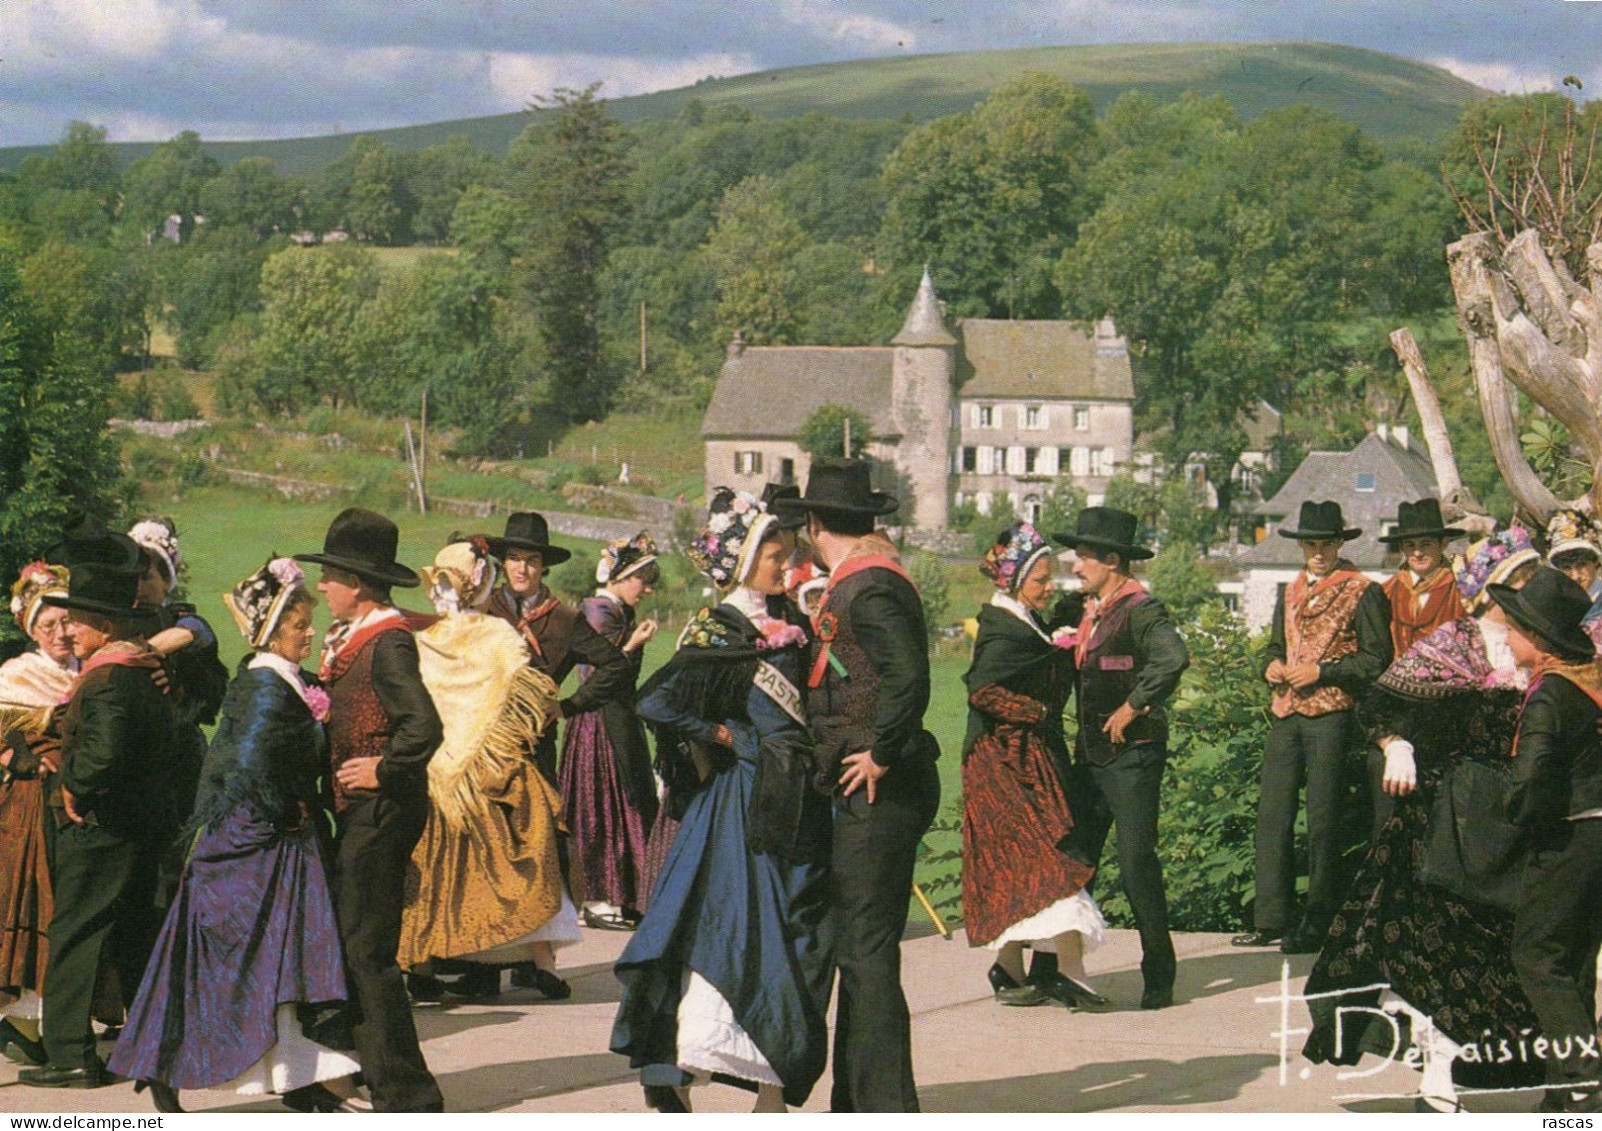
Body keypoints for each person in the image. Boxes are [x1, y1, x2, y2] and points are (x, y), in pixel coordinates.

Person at [107, 558, 363, 1112]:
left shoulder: (280, 677)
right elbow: (249, 766)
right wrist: (285, 814)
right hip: (258, 848)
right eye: (300, 626)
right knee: (236, 965)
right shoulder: (267, 686)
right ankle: (164, 1064)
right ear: (273, 631)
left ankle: (301, 1078)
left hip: (278, 843)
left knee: (280, 963)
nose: (309, 633)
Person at [1302, 527, 1544, 1112]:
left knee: (1506, 950)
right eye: (1525, 580)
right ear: (1496, 589)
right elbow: (1380, 703)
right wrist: (1397, 746)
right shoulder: (1455, 642)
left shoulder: (1543, 649)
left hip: (1513, 819)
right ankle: (1435, 1080)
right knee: (1442, 948)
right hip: (1447, 815)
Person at [612, 488, 832, 1113]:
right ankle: (687, 1070)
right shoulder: (720, 628)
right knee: (737, 936)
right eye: (771, 552)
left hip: (800, 800)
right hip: (741, 805)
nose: (782, 563)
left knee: (802, 939)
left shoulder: (792, 619)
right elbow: (655, 701)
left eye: (787, 552)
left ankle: (772, 1088)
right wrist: (718, 734)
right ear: (738, 559)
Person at [779, 458, 939, 1113]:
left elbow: (910, 676)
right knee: (860, 949)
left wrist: (880, 751)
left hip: (881, 788)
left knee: (867, 953)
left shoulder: (869, 586)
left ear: (814, 525)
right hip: (875, 788)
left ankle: (885, 1108)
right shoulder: (865, 577)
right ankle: (856, 1101)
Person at [295, 507, 444, 1112]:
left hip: (384, 810)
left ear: (356, 584)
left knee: (367, 950)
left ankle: (408, 1094)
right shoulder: (358, 639)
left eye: (329, 576)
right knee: (355, 943)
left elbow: (423, 726)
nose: (322, 586)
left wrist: (382, 769)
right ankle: (352, 1075)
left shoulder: (388, 643)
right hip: (363, 812)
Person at [19, 533, 176, 1089]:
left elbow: (102, 756)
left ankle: (71, 1055)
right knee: (129, 932)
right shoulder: (137, 667)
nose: (69, 632)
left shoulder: (109, 676)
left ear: (103, 625)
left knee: (77, 935)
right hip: (132, 826)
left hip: (101, 829)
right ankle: (144, 1045)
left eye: (77, 622)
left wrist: (72, 786)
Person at [400, 538, 580, 1002]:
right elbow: (532, 694)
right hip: (489, 769)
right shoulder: (499, 636)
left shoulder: (424, 640)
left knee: (433, 870)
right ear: (482, 585)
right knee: (523, 855)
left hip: (435, 772)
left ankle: (422, 966)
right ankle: (540, 961)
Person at [1235, 500, 1391, 955]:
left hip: (1332, 715)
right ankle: (1271, 917)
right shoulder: (1291, 588)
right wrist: (1272, 666)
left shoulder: (1363, 590)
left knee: (1324, 820)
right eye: (1311, 544)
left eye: (1327, 543)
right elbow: (1274, 647)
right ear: (1301, 546)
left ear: (1341, 544)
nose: (1319, 552)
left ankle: (1319, 919)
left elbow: (1376, 660)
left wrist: (1323, 672)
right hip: (1288, 712)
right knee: (1273, 815)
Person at [962, 524, 1108, 1010]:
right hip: (1001, 761)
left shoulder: (1021, 618)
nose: (1050, 587)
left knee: (1020, 866)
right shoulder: (1002, 627)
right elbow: (983, 690)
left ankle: (1008, 968)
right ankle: (1070, 970)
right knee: (1051, 859)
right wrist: (1040, 713)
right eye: (1041, 578)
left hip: (1023, 756)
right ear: (1013, 578)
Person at [1054, 506, 1189, 1010]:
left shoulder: (1141, 609)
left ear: (1113, 560)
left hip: (1132, 758)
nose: (1076, 566)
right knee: (1076, 861)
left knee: (1135, 864)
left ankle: (1159, 973)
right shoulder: (1089, 608)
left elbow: (1172, 659)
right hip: (1090, 757)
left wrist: (1134, 705)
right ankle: (1056, 968)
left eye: (1084, 558)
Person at [1493, 567, 1602, 1112]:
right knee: (1575, 960)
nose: (1507, 639)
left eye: (1513, 629)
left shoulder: (1548, 697)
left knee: (1537, 955)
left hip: (1570, 836)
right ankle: (1565, 1102)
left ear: (1537, 638)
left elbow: (1532, 777)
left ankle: (1584, 1083)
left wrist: (1513, 819)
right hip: (1599, 833)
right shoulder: (1589, 681)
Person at [484, 512, 633, 789]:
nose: (522, 569)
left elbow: (616, 665)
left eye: (532, 561)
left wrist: (568, 706)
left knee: (537, 827)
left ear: (543, 568)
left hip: (533, 747)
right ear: (503, 563)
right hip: (480, 745)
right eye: (514, 558)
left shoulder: (565, 619)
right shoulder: (483, 610)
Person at [560, 532, 660, 931]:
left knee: (628, 803)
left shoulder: (616, 611)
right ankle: (597, 898)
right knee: (600, 807)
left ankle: (626, 894)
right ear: (620, 576)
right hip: (597, 723)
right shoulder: (599, 611)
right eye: (643, 579)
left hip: (617, 718)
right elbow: (599, 676)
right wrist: (632, 645)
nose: (647, 589)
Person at [126, 518, 229, 904]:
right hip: (129, 757)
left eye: (147, 576)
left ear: (166, 581)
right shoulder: (113, 618)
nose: (137, 586)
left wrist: (142, 653)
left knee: (166, 867)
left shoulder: (183, 622)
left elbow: (191, 633)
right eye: (131, 575)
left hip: (175, 759)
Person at [0, 563, 76, 1066]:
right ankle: (26, 1019)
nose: (60, 633)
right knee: (32, 903)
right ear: (30, 629)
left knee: (63, 906)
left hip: (69, 805)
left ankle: (38, 1023)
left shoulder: (87, 670)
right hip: (26, 807)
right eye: (47, 625)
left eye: (66, 621)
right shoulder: (16, 675)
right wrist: (30, 758)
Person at [1372, 499, 1465, 832]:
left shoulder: (1462, 590)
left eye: (1426, 544)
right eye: (1410, 545)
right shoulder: (1384, 593)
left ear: (1443, 544)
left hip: (1447, 711)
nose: (1418, 552)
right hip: (1395, 709)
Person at [1544, 508, 1602, 646]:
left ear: (1595, 562)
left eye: (1581, 565)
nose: (1575, 576)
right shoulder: (1556, 607)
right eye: (1567, 568)